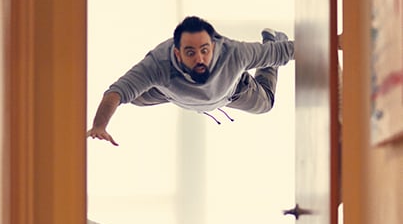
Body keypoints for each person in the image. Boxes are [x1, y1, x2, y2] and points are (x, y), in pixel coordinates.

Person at [87, 15, 294, 146]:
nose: (199, 59)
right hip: (171, 90)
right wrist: (99, 126)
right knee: (134, 98)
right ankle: (167, 89)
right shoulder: (159, 63)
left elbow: (282, 52)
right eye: (190, 52)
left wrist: (324, 45)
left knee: (266, 104)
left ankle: (272, 36)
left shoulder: (235, 53)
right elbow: (116, 92)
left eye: (205, 51)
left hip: (231, 90)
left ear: (213, 47)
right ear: (177, 54)